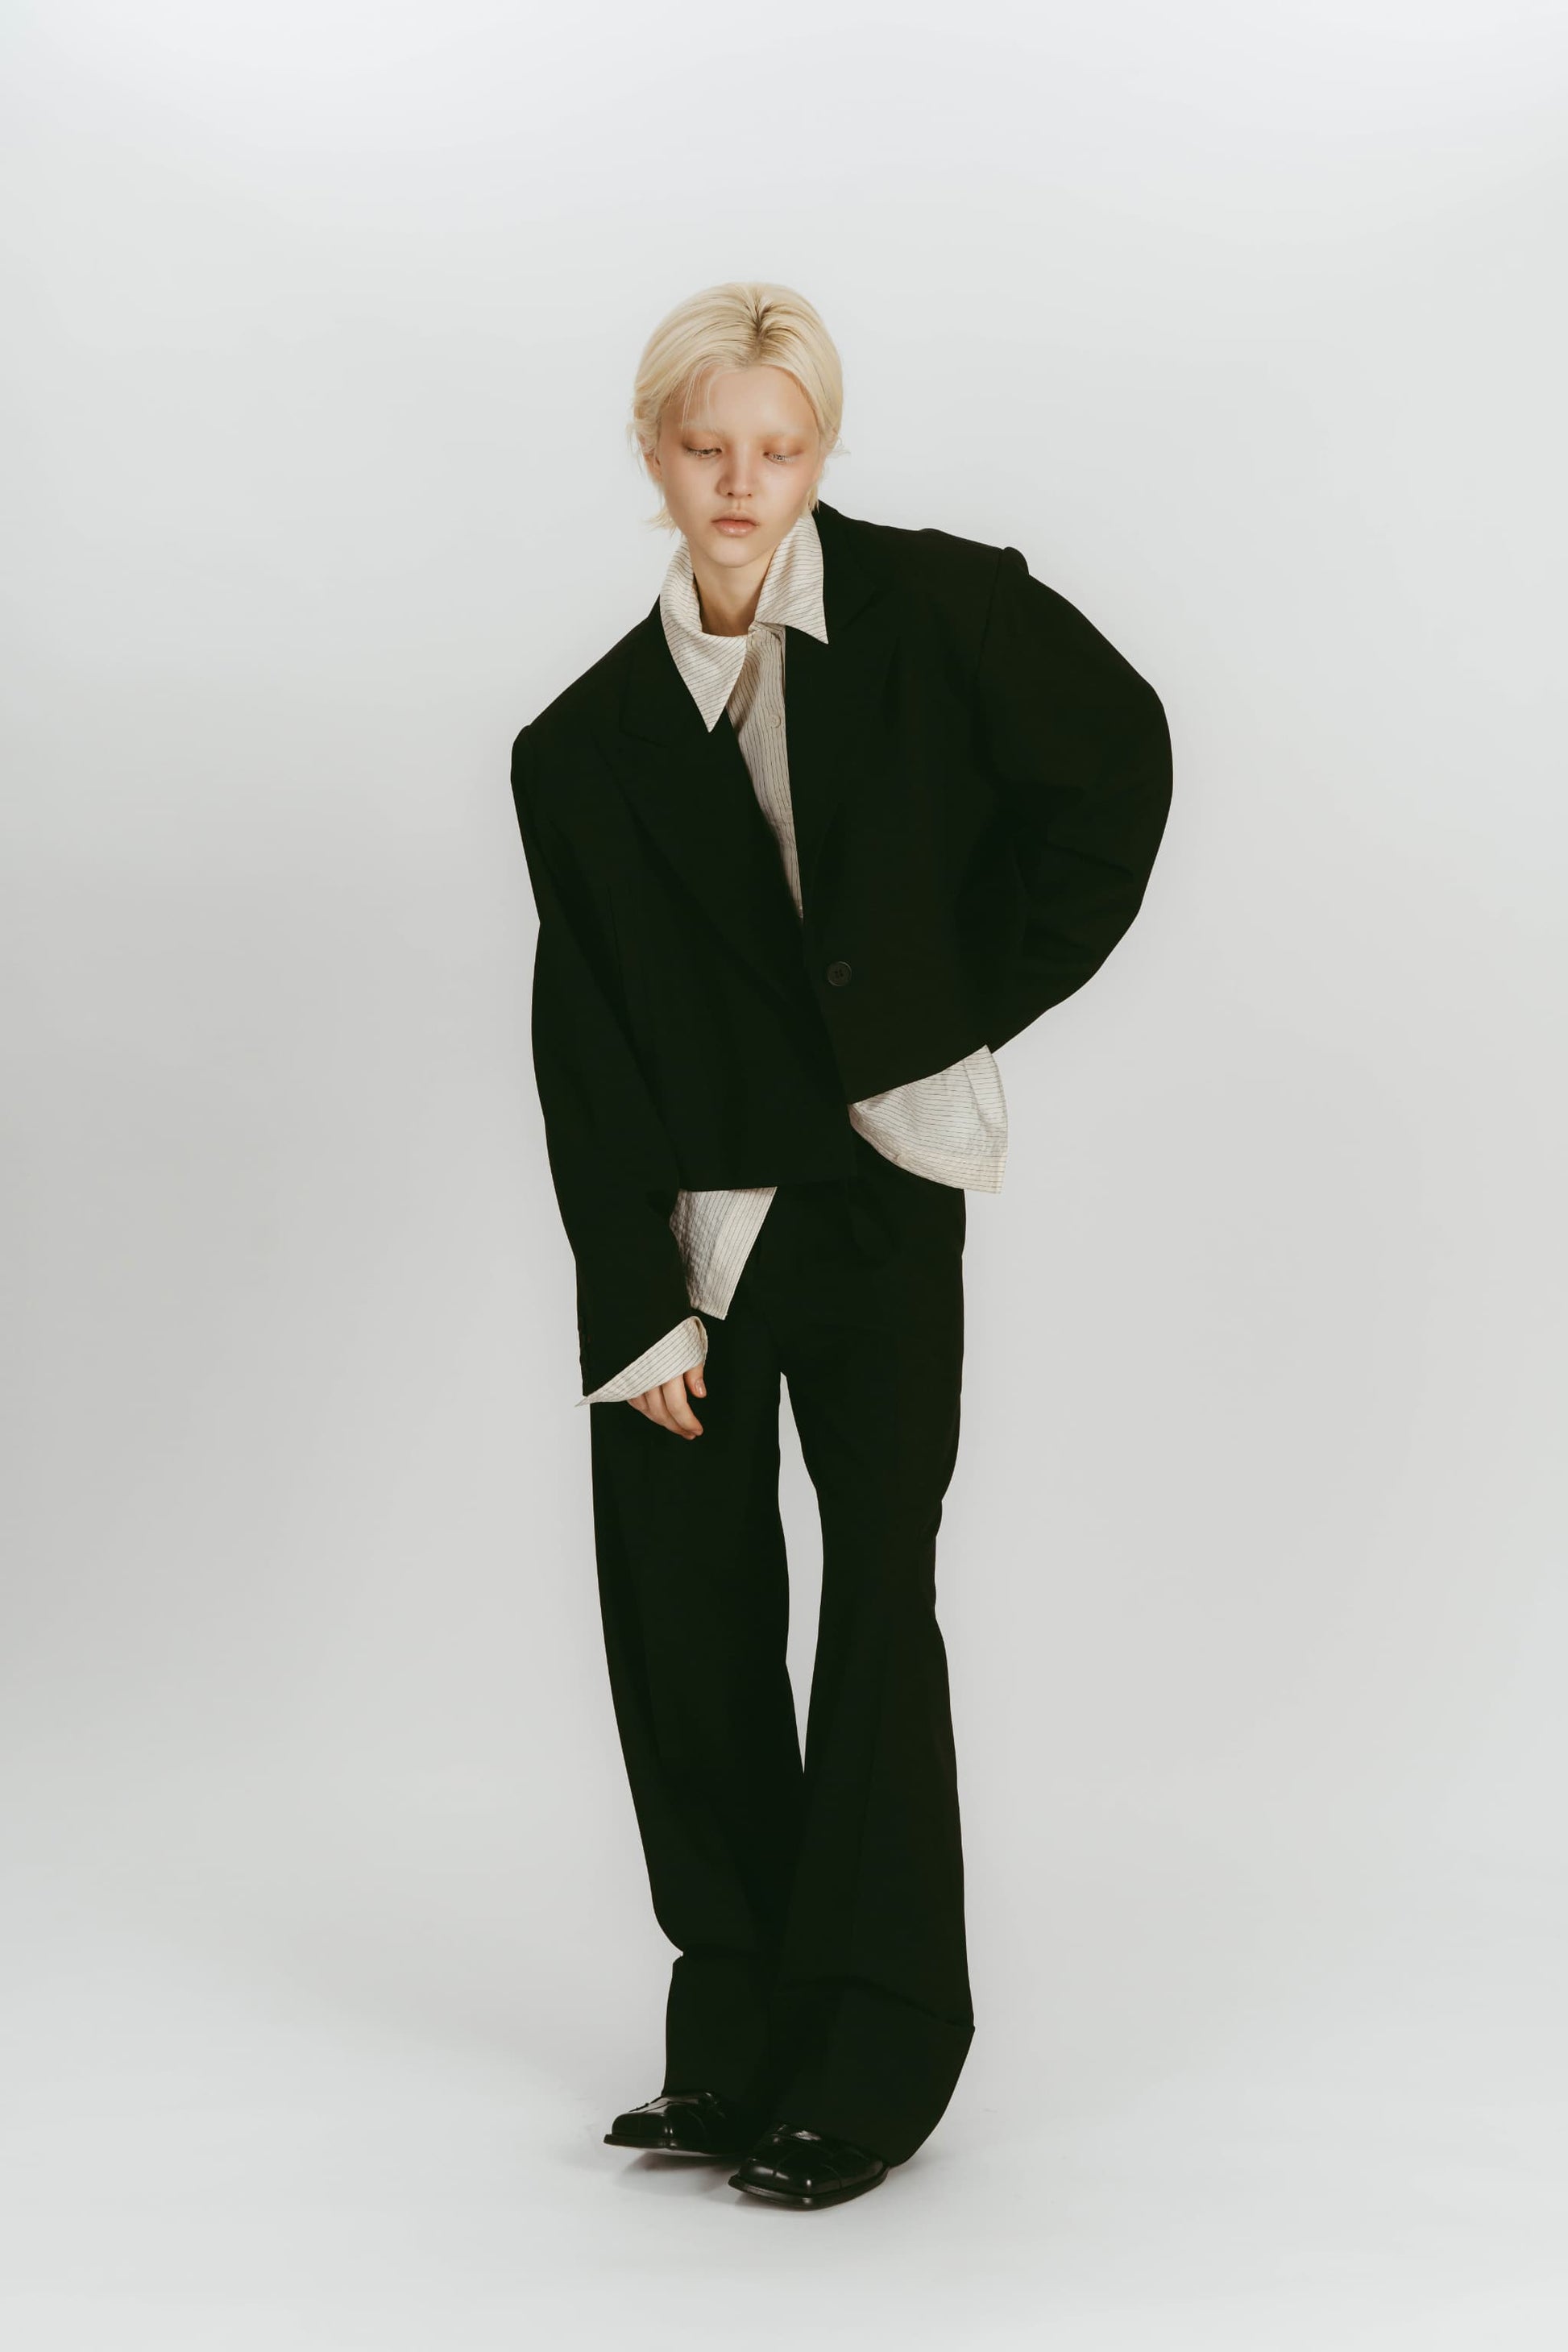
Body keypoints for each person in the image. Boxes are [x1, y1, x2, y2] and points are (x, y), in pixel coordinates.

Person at [508, 280, 1172, 2209]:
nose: (742, 482)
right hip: (691, 1225)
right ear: (653, 453)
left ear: (820, 451)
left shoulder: (941, 609)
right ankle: (732, 2031)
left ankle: (870, 2054)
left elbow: (1116, 770)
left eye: (779, 448)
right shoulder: (577, 746)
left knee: (877, 1598)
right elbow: (583, 1036)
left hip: (877, 1185)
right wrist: (635, 1301)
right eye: (706, 446)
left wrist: (942, 1018)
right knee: (684, 1615)